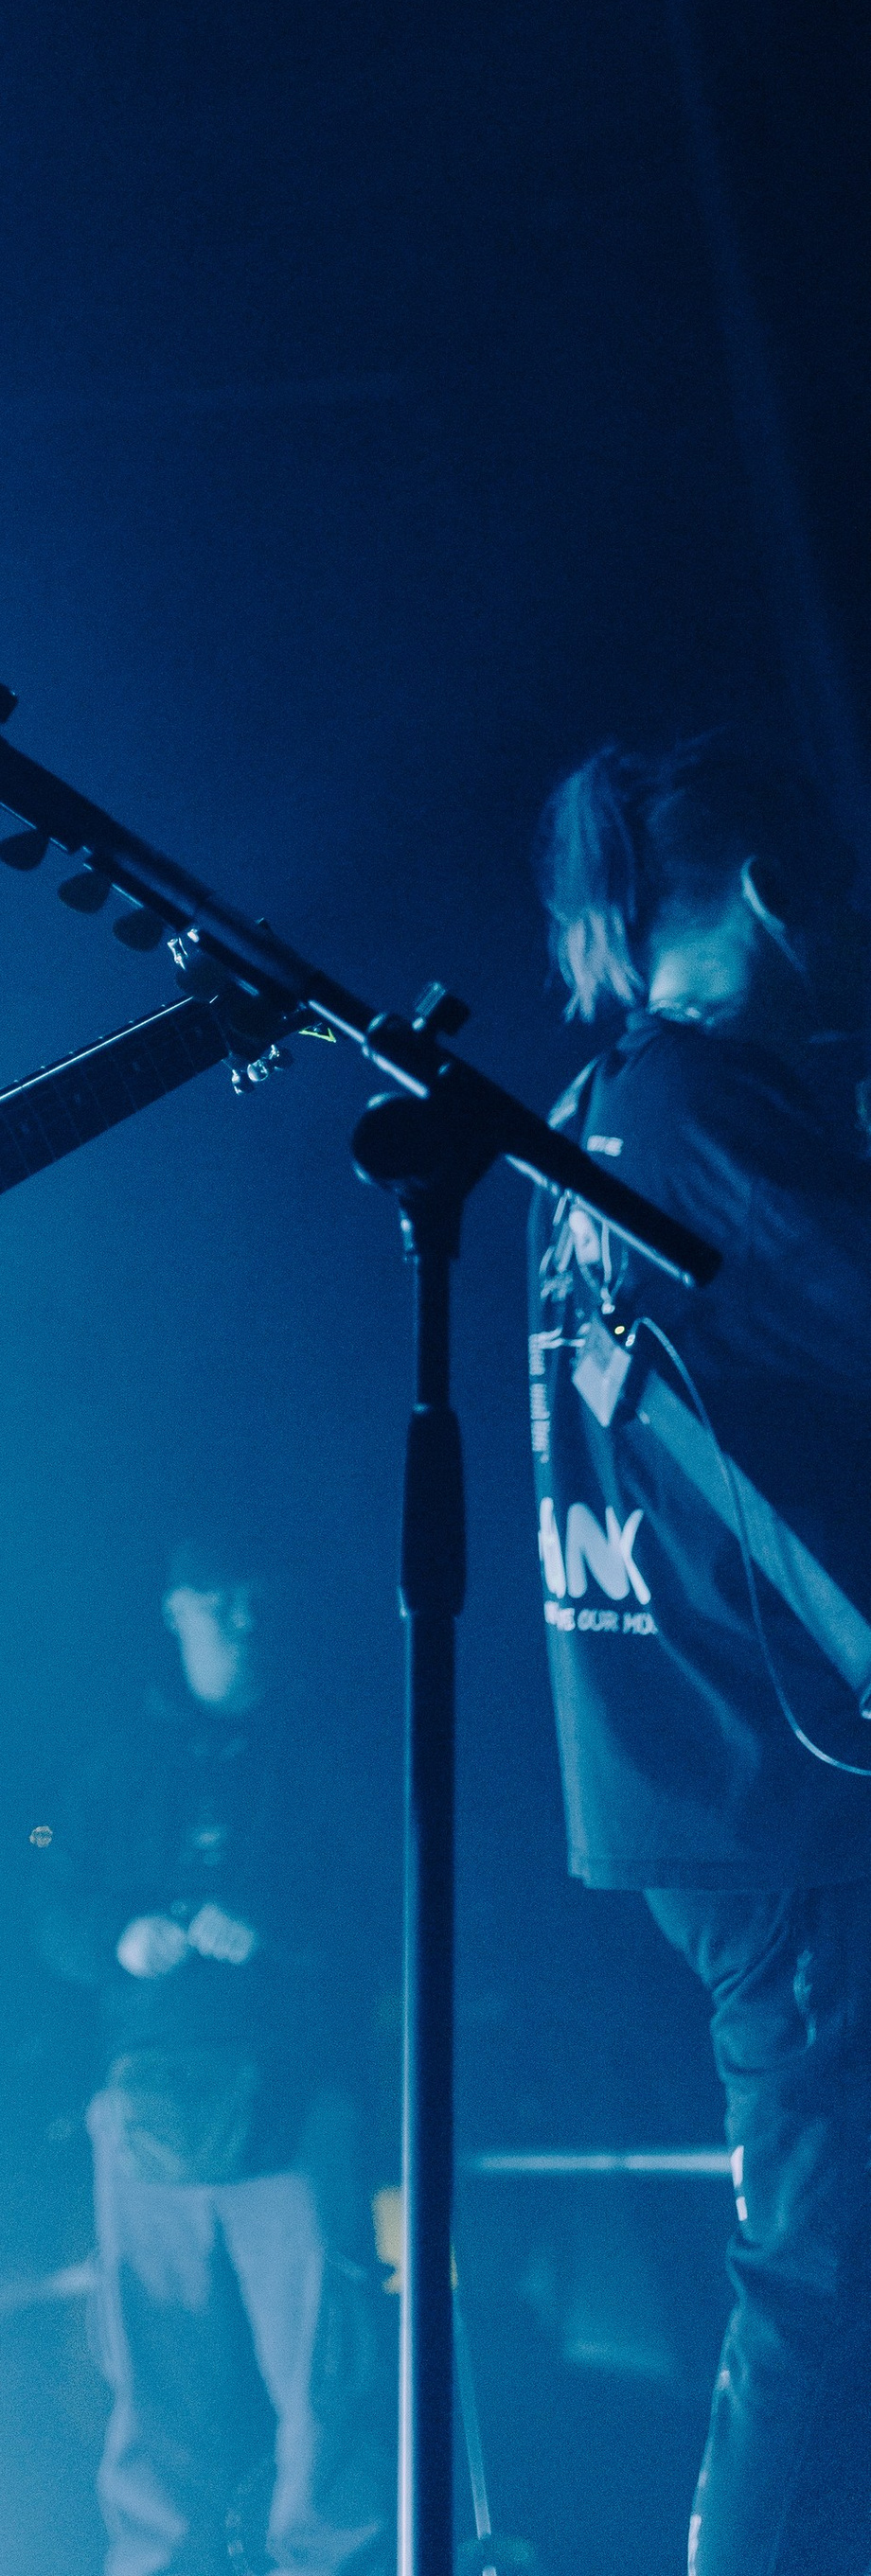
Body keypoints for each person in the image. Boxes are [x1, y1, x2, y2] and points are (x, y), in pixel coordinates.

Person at [529, 730, 871, 2576]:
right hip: (788, 1793)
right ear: (758, 888)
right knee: (821, 2287)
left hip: (703, 1777)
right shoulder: (691, 1116)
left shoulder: (588, 1115)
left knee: (824, 2274)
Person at [36, 1543, 394, 2576]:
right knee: (153, 2392)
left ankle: (332, 2562)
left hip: (293, 2109)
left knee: (325, 2386)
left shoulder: (329, 1754)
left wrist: (277, 1928)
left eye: (256, 1600)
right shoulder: (112, 1766)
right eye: (217, 1601)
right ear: (173, 1610)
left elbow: (391, 1901)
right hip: (145, 2113)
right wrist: (119, 1939)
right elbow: (50, 1903)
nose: (241, 1622)